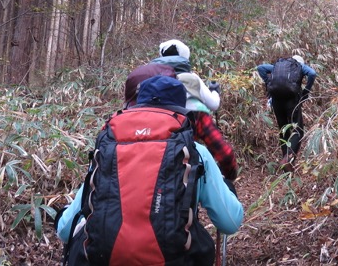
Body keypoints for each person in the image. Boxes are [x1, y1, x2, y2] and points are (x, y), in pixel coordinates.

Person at [57, 76, 243, 265]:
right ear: (180, 110)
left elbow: (65, 230)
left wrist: (62, 215)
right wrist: (228, 189)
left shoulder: (107, 150)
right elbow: (230, 222)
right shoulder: (196, 153)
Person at [124, 39, 238, 181]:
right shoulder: (192, 79)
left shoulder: (149, 85)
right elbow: (214, 104)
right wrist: (215, 91)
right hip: (185, 171)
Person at [257, 55, 317, 171]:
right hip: (291, 100)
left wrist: (269, 82)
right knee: (298, 130)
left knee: (283, 129)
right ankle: (288, 158)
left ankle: (285, 163)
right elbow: (312, 74)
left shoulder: (277, 67)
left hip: (276, 99)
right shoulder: (300, 66)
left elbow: (260, 68)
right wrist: (306, 91)